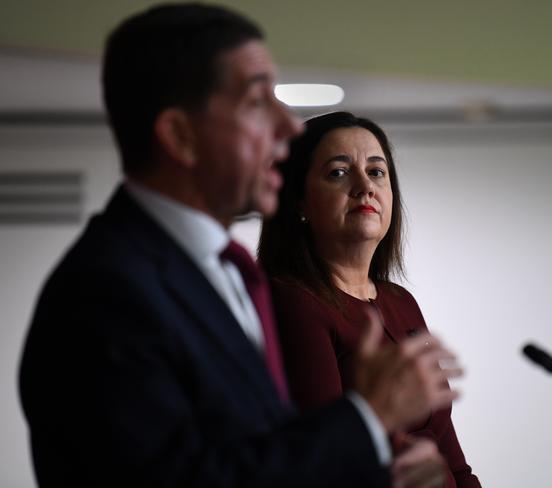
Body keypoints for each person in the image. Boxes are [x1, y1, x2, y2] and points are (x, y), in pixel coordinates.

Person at [19, 4, 462, 487]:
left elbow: (261, 452)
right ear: (181, 136)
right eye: (256, 104)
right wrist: (368, 422)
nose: (289, 127)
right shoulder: (105, 293)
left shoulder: (224, 275)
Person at [258, 111, 481, 487]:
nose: (365, 187)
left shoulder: (401, 302)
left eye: (377, 172)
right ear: (299, 201)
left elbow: (454, 461)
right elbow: (326, 463)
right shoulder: (294, 302)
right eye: (339, 173)